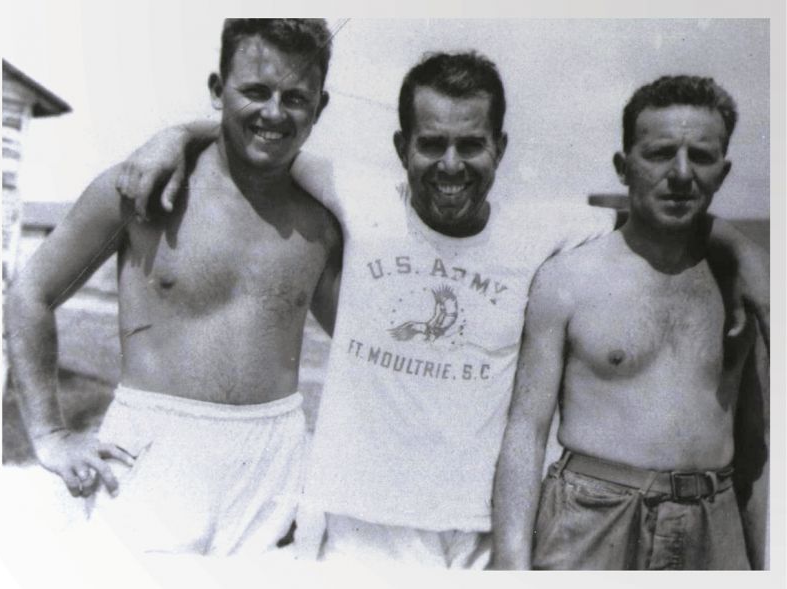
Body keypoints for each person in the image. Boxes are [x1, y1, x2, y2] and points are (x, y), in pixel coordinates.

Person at [119, 55, 768, 568]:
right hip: (359, 524)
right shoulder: (358, 193)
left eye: (471, 144)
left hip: (479, 534)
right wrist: (175, 132)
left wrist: (736, 244)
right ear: (402, 145)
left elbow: (660, 208)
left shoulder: (544, 231)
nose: (451, 164)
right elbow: (265, 132)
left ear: (500, 147)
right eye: (432, 144)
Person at [6, 18, 342, 556]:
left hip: (273, 462)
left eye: (295, 98)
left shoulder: (324, 221)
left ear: (319, 108)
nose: (274, 112)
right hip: (153, 451)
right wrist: (48, 433)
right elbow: (30, 294)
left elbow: (362, 345)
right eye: (255, 91)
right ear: (217, 91)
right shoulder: (143, 188)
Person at [490, 75, 769, 570]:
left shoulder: (743, 286)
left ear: (723, 173)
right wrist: (511, 561)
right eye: (660, 153)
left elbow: (758, 446)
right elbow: (525, 432)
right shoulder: (568, 279)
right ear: (624, 167)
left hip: (713, 519)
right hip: (592, 521)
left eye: (701, 157)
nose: (681, 174)